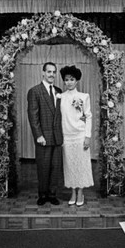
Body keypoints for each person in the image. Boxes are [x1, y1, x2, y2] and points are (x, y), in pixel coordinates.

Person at [27, 62, 63, 206]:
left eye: (54, 72)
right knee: (43, 167)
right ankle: (42, 195)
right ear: (43, 73)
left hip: (57, 137)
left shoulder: (59, 90)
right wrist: (38, 135)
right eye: (49, 72)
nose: (51, 75)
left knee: (55, 167)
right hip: (43, 137)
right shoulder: (35, 91)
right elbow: (33, 116)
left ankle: (52, 194)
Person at [59, 65, 93, 206]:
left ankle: (80, 192)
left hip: (80, 135)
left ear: (77, 80)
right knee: (70, 166)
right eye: (66, 80)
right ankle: (73, 192)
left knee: (81, 165)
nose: (69, 82)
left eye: (72, 79)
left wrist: (87, 136)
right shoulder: (60, 97)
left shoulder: (84, 97)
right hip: (67, 136)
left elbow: (88, 116)